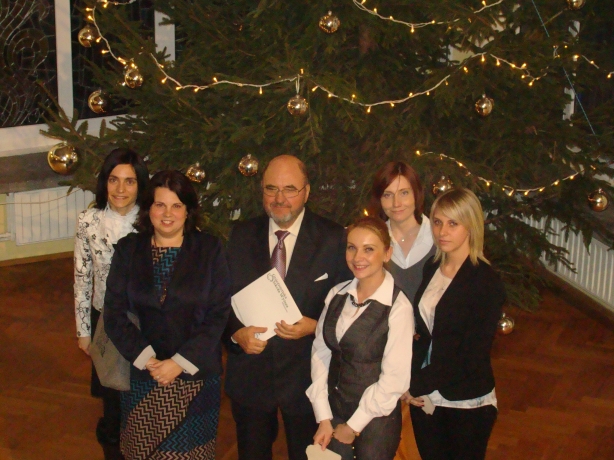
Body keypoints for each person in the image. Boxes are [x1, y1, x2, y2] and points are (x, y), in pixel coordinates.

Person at [224, 154, 352, 460]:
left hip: (307, 379)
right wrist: (236, 334)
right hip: (250, 377)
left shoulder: (333, 238)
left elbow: (348, 308)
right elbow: (220, 300)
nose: (279, 199)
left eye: (290, 189)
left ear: (306, 192)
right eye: (271, 189)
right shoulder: (241, 235)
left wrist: (315, 327)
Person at [103, 170, 231, 460]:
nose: (168, 214)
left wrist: (179, 363)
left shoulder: (210, 249)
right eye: (160, 205)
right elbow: (113, 312)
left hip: (195, 376)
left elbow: (218, 314)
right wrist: (148, 360)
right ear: (148, 209)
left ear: (188, 211)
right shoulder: (128, 250)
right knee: (142, 452)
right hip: (143, 374)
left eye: (176, 205)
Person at [403, 187, 506, 460]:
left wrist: (415, 384)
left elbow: (471, 355)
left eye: (453, 223)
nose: (442, 232)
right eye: (437, 222)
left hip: (464, 399)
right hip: (426, 396)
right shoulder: (432, 267)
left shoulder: (486, 283)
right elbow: (424, 333)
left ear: (471, 226)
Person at [307, 216, 413, 460]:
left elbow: (395, 380)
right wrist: (323, 416)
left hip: (375, 420)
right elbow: (320, 353)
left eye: (369, 249)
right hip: (333, 411)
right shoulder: (336, 294)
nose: (357, 257)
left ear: (387, 253)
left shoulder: (398, 308)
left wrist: (353, 426)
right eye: (351, 247)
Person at [73, 148, 149, 460]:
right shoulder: (88, 221)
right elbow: (82, 278)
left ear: (140, 185)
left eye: (129, 181)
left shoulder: (151, 220)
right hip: (105, 319)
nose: (120, 189)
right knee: (112, 396)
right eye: (114, 180)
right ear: (104, 182)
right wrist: (84, 331)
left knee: (142, 393)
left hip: (145, 321)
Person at [368, 161, 435, 303]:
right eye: (388, 195)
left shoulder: (439, 237)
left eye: (404, 193)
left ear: (416, 194)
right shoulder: (373, 241)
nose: (396, 203)